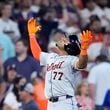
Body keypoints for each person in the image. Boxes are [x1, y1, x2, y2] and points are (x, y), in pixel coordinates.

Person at [27, 17, 93, 110]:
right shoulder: (51, 57)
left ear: (69, 48)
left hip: (65, 102)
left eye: (66, 40)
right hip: (51, 103)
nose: (62, 39)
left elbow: (82, 64)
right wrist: (32, 35)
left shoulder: (71, 59)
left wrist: (84, 50)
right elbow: (37, 54)